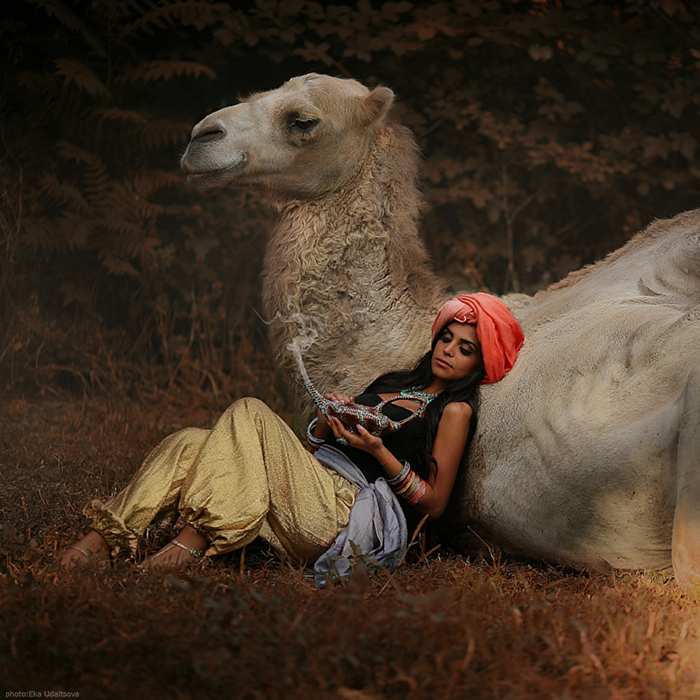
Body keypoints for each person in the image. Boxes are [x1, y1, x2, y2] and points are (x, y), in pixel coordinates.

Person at [60, 293, 523, 584]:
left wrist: (379, 450)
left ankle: (185, 548)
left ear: (479, 367)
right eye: (447, 338)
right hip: (310, 482)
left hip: (343, 512)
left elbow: (435, 503)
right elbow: (320, 442)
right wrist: (332, 416)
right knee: (187, 442)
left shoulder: (455, 411)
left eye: (466, 349)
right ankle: (100, 541)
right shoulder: (394, 381)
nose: (449, 351)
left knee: (250, 410)